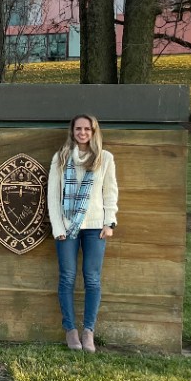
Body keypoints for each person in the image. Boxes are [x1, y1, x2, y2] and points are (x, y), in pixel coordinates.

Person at [47, 114, 118, 353]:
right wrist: (58, 227)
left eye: (87, 129)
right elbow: (53, 196)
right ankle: (71, 330)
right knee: (67, 277)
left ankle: (89, 331)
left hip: (96, 228)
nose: (83, 133)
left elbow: (110, 193)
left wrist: (110, 223)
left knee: (92, 278)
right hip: (66, 229)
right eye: (79, 128)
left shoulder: (104, 159)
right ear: (72, 131)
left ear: (94, 132)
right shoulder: (61, 158)